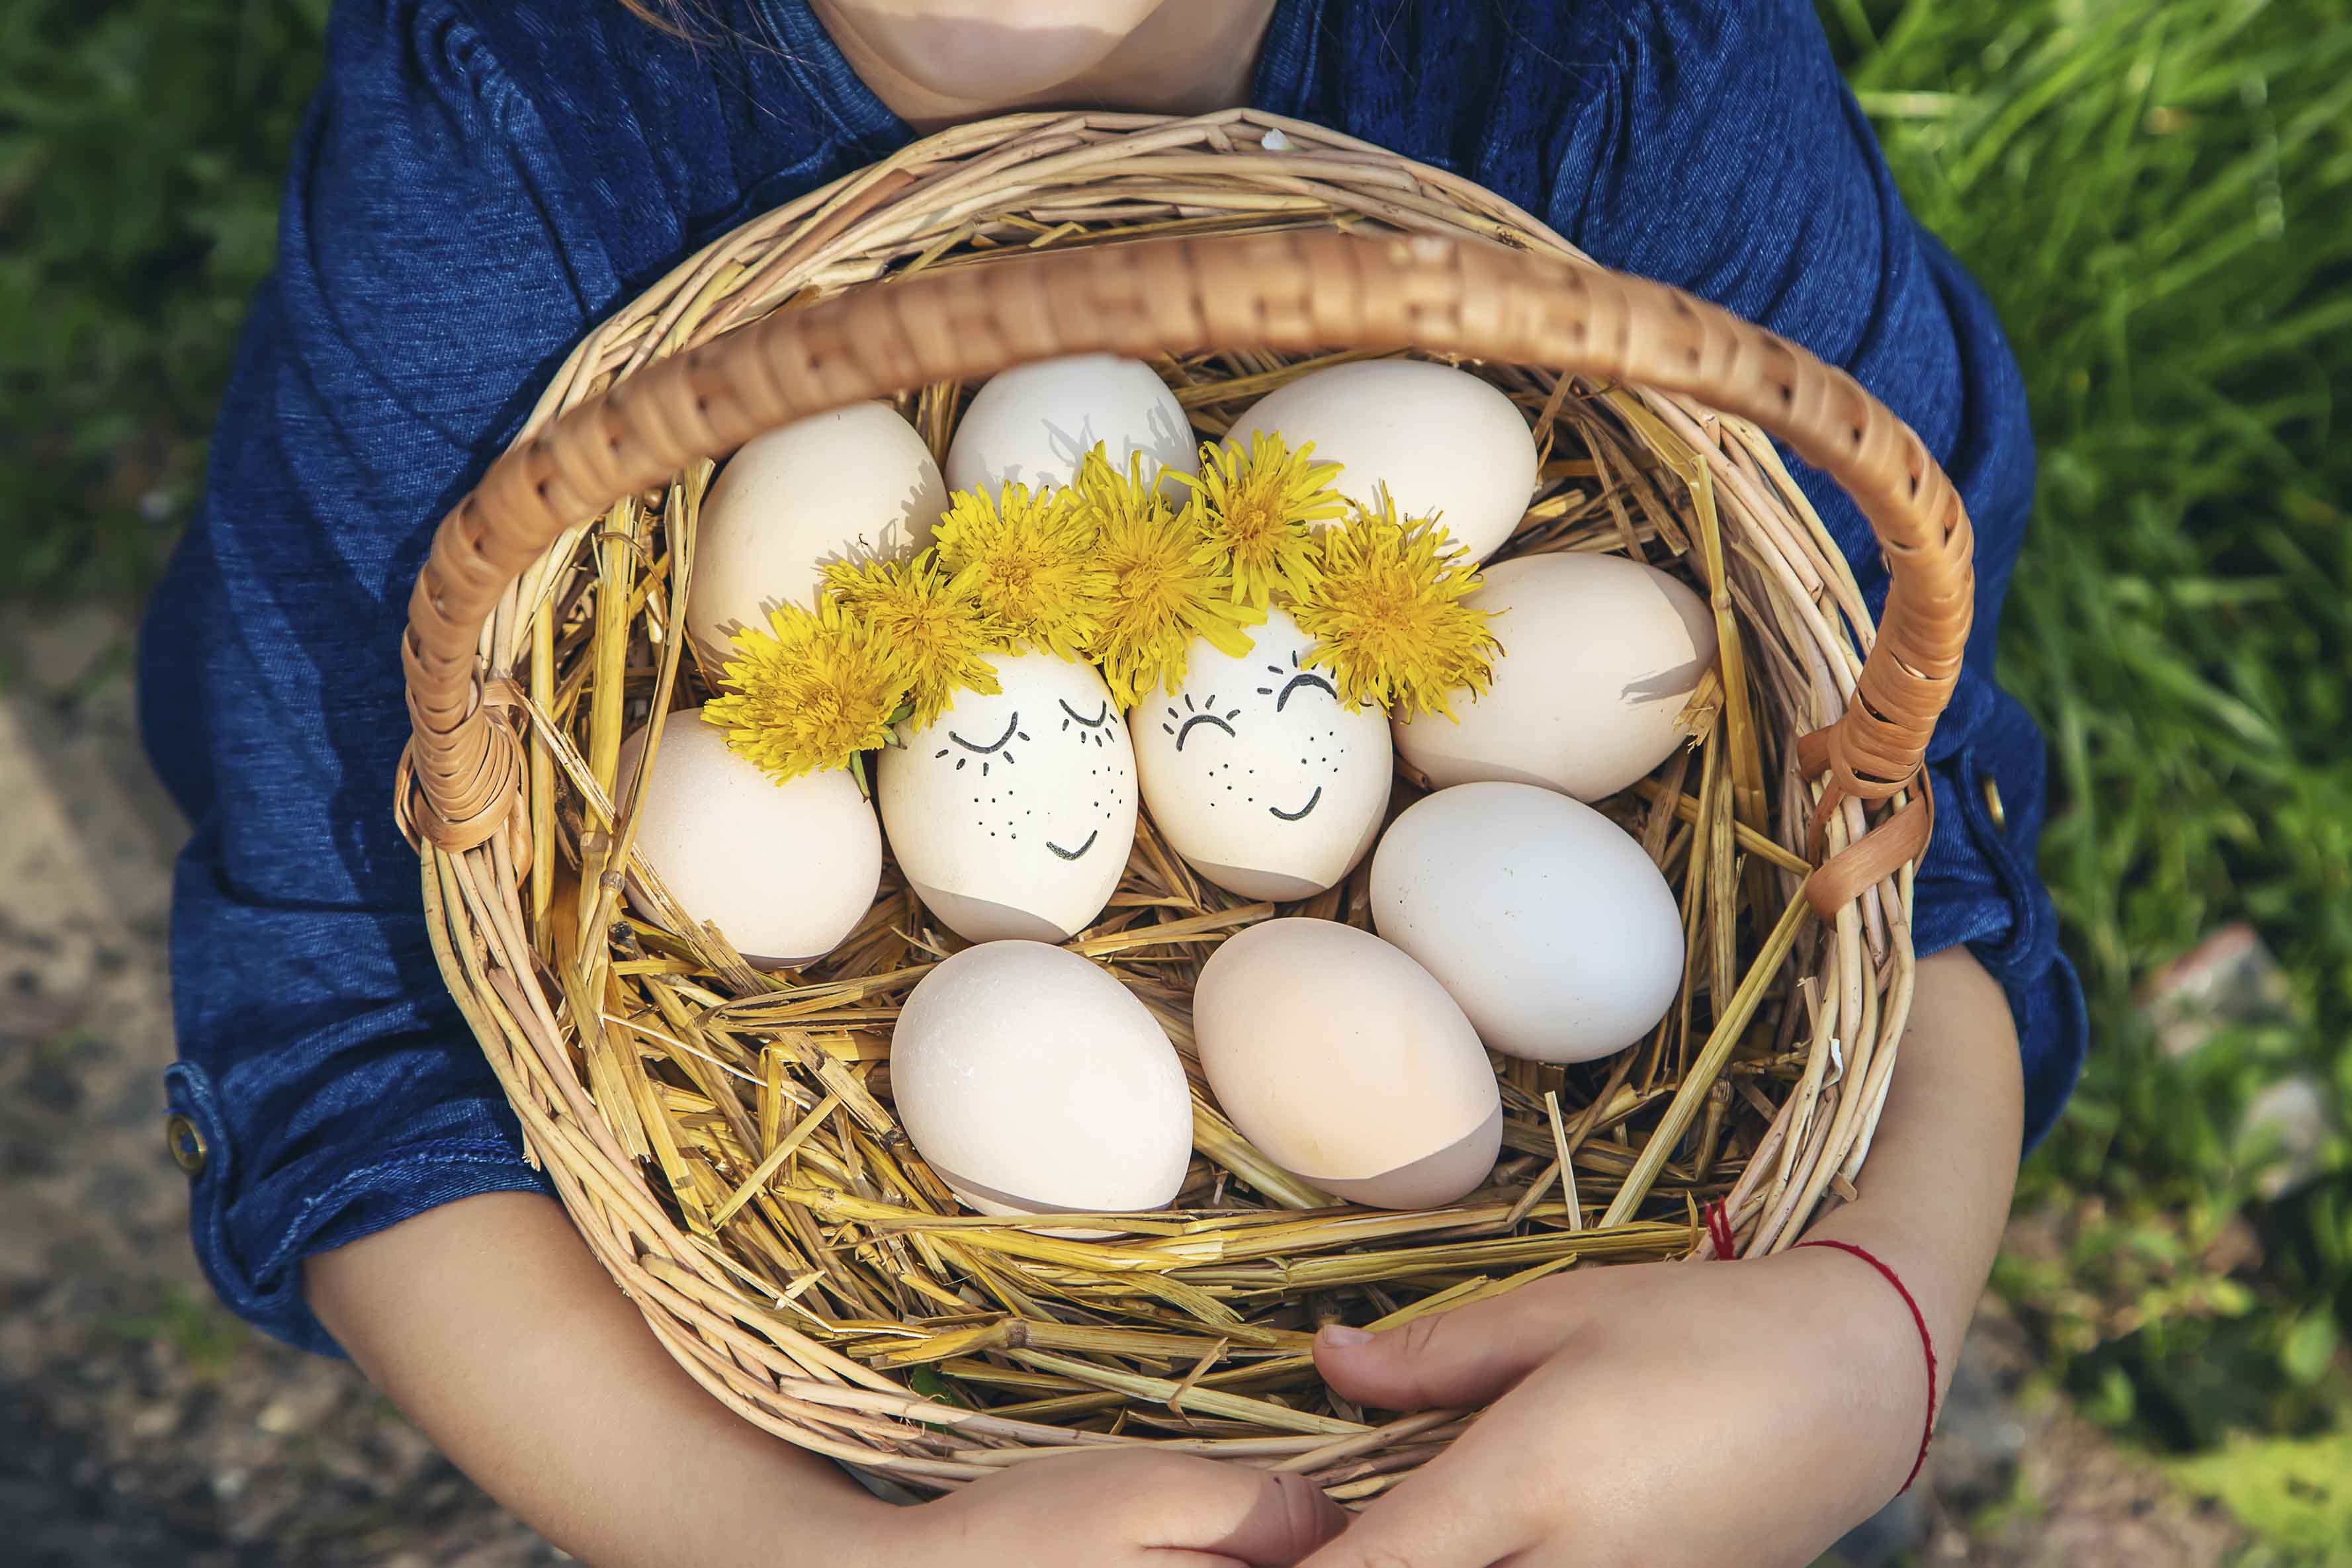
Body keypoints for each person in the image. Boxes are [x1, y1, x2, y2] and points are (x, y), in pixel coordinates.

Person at [137, 1, 2087, 1564]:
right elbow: (348, 1022)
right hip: (855, 1459)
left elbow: (1901, 817)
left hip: (1651, 1368)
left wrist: (1874, 1322)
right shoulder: (510, 126)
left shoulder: (1612, 64)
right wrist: (786, 1544)